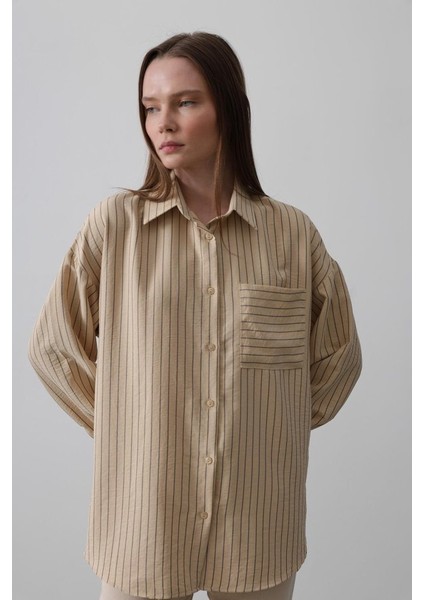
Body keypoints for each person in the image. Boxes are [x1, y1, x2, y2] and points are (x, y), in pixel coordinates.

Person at [28, 31, 362, 600]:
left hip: (257, 526)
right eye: (150, 108)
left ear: (228, 108)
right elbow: (54, 347)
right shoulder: (116, 226)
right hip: (144, 525)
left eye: (185, 102)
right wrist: (126, 427)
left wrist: (271, 430)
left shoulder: (291, 235)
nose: (163, 123)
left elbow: (339, 356)